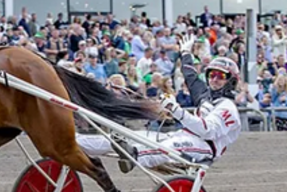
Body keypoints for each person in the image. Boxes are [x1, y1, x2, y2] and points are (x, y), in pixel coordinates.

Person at [77, 52, 242, 172]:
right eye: (212, 74)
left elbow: (208, 131)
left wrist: (176, 110)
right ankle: (77, 142)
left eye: (220, 76)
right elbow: (191, 78)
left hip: (204, 147)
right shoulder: (207, 98)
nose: (214, 79)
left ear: (231, 81)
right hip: (181, 135)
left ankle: (134, 154)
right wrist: (185, 53)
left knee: (164, 147)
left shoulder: (228, 108)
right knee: (127, 136)